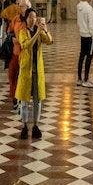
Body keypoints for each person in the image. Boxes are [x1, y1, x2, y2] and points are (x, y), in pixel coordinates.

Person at [16, 8, 53, 140]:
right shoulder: (22, 32)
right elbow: (26, 46)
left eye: (35, 17)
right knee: (25, 100)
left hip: (38, 70)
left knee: (38, 100)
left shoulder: (39, 30)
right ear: (26, 19)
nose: (33, 19)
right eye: (30, 17)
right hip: (26, 70)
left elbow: (49, 41)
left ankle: (36, 125)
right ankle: (25, 125)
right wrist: (37, 33)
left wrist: (45, 29)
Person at [76, 0, 93, 85]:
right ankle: (86, 80)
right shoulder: (89, 8)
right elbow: (91, 23)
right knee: (89, 57)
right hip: (89, 35)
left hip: (82, 34)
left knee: (81, 56)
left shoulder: (79, 6)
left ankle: (79, 79)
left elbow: (78, 22)